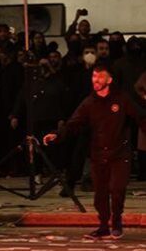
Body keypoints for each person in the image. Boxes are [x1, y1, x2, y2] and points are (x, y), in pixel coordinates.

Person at [44, 62, 146, 240]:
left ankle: (116, 222)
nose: (96, 80)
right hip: (98, 154)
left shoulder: (122, 99)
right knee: (100, 193)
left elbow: (141, 117)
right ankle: (103, 225)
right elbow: (73, 123)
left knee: (117, 188)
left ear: (110, 79)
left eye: (100, 76)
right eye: (94, 76)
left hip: (120, 153)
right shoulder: (89, 102)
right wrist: (57, 135)